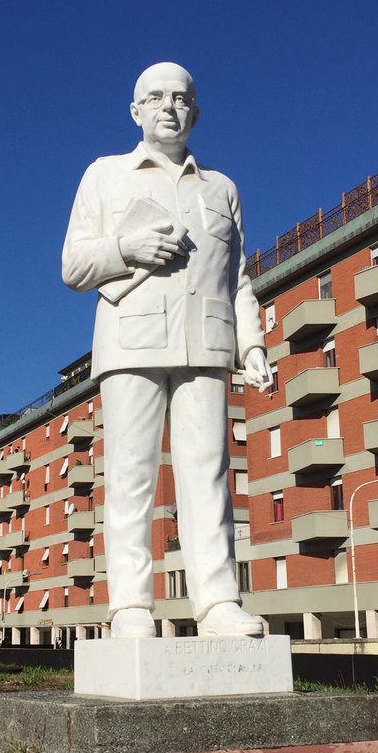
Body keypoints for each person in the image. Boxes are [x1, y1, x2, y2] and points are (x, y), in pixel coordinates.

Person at [62, 63, 271, 638]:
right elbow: (73, 266)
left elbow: (239, 278)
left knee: (207, 475)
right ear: (135, 111)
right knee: (131, 475)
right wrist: (127, 247)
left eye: (180, 98)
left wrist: (250, 343)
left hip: (206, 342)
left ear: (195, 111)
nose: (168, 107)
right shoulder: (105, 175)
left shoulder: (221, 187)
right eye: (154, 98)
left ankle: (217, 602)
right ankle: (130, 606)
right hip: (131, 341)